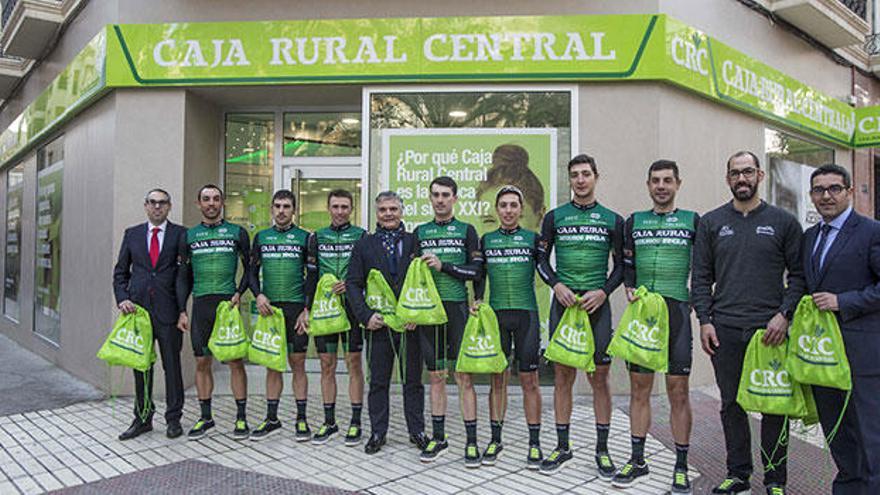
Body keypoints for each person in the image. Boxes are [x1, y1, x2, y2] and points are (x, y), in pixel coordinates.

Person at [692, 151, 804, 495]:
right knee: (732, 405)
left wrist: (785, 314)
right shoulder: (711, 222)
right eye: (735, 173)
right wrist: (705, 321)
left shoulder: (784, 222)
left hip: (770, 332)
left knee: (774, 408)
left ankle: (775, 479)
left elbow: (799, 276)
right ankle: (738, 473)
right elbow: (700, 278)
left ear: (759, 175)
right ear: (728, 179)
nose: (742, 179)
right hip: (725, 330)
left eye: (748, 172)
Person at [536, 153, 624, 477]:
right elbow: (541, 260)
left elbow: (622, 266)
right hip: (565, 305)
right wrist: (556, 284)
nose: (581, 180)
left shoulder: (613, 220)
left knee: (599, 378)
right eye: (575, 175)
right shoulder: (555, 217)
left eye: (586, 174)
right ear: (570, 180)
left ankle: (602, 450)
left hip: (596, 308)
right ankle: (562, 446)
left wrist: (604, 292)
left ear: (596, 177)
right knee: (563, 377)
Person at [614, 160, 699, 492]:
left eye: (667, 180)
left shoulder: (693, 221)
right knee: (640, 389)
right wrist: (629, 287)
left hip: (676, 311)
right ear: (648, 185)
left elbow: (705, 266)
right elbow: (626, 262)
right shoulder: (634, 221)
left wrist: (696, 299)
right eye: (655, 181)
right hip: (643, 315)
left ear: (678, 183)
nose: (661, 186)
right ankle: (638, 460)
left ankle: (680, 464)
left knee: (678, 391)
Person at [803, 164, 880, 495]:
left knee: (869, 437)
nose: (826, 196)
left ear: (849, 192)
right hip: (822, 355)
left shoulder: (870, 231)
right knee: (836, 432)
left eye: (834, 188)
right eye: (819, 190)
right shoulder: (809, 237)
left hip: (861, 354)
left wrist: (843, 301)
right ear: (811, 196)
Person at [346, 191, 427, 455]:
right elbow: (353, 284)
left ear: (401, 211)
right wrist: (365, 315)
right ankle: (378, 432)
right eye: (383, 210)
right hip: (378, 324)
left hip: (408, 325)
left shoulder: (415, 242)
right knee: (378, 381)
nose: (389, 214)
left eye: (393, 209)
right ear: (376, 213)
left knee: (412, 381)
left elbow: (423, 281)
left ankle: (417, 431)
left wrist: (417, 314)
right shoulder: (364, 245)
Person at [472, 185, 544, 469]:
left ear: (521, 209)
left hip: (526, 315)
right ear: (497, 209)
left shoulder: (532, 238)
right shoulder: (486, 239)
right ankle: (495, 438)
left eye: (514, 205)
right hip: (497, 317)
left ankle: (534, 443)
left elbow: (546, 271)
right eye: (504, 205)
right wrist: (477, 299)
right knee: (497, 379)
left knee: (530, 381)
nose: (509, 210)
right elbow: (479, 276)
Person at [414, 176, 484, 465]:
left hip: (457, 310)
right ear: (429, 199)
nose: (440, 200)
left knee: (464, 377)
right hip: (429, 313)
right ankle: (439, 438)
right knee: (436, 377)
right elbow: (411, 278)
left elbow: (477, 272)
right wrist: (410, 312)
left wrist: (445, 267)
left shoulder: (467, 231)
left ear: (455, 198)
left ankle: (471, 442)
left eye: (445, 195)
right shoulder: (419, 232)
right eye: (435, 195)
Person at [176, 184, 252, 441]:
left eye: (216, 199)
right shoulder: (189, 236)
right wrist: (182, 310)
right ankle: (206, 417)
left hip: (227, 305)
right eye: (206, 199)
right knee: (202, 362)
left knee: (235, 361)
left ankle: (241, 417)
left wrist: (240, 292)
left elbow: (250, 269)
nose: (211, 203)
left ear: (222, 203)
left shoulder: (237, 233)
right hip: (201, 305)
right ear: (199, 203)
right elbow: (183, 277)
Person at [113, 188, 187, 440]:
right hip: (139, 313)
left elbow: (183, 276)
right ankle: (143, 417)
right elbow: (120, 272)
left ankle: (174, 419)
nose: (157, 207)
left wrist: (183, 310)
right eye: (153, 203)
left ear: (169, 206)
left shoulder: (180, 234)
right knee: (141, 367)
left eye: (162, 203)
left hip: (169, 313)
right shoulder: (132, 234)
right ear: (146, 206)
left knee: (172, 367)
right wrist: (122, 298)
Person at [247, 189, 312, 441]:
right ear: (271, 209)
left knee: (298, 364)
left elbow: (312, 277)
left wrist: (307, 308)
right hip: (270, 310)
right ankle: (272, 419)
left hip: (296, 309)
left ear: (294, 209)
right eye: (277, 206)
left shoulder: (305, 238)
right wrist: (258, 295)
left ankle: (302, 419)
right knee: (272, 365)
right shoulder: (261, 237)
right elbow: (251, 272)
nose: (282, 211)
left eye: (286, 206)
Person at [303, 189, 366, 446]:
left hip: (352, 309)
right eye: (335, 206)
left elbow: (369, 273)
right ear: (329, 209)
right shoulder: (316, 237)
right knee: (326, 364)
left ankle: (356, 421)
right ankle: (329, 422)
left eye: (344, 206)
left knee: (353, 363)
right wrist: (307, 308)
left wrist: (353, 286)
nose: (340, 211)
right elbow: (311, 277)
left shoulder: (361, 236)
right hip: (324, 310)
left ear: (351, 209)